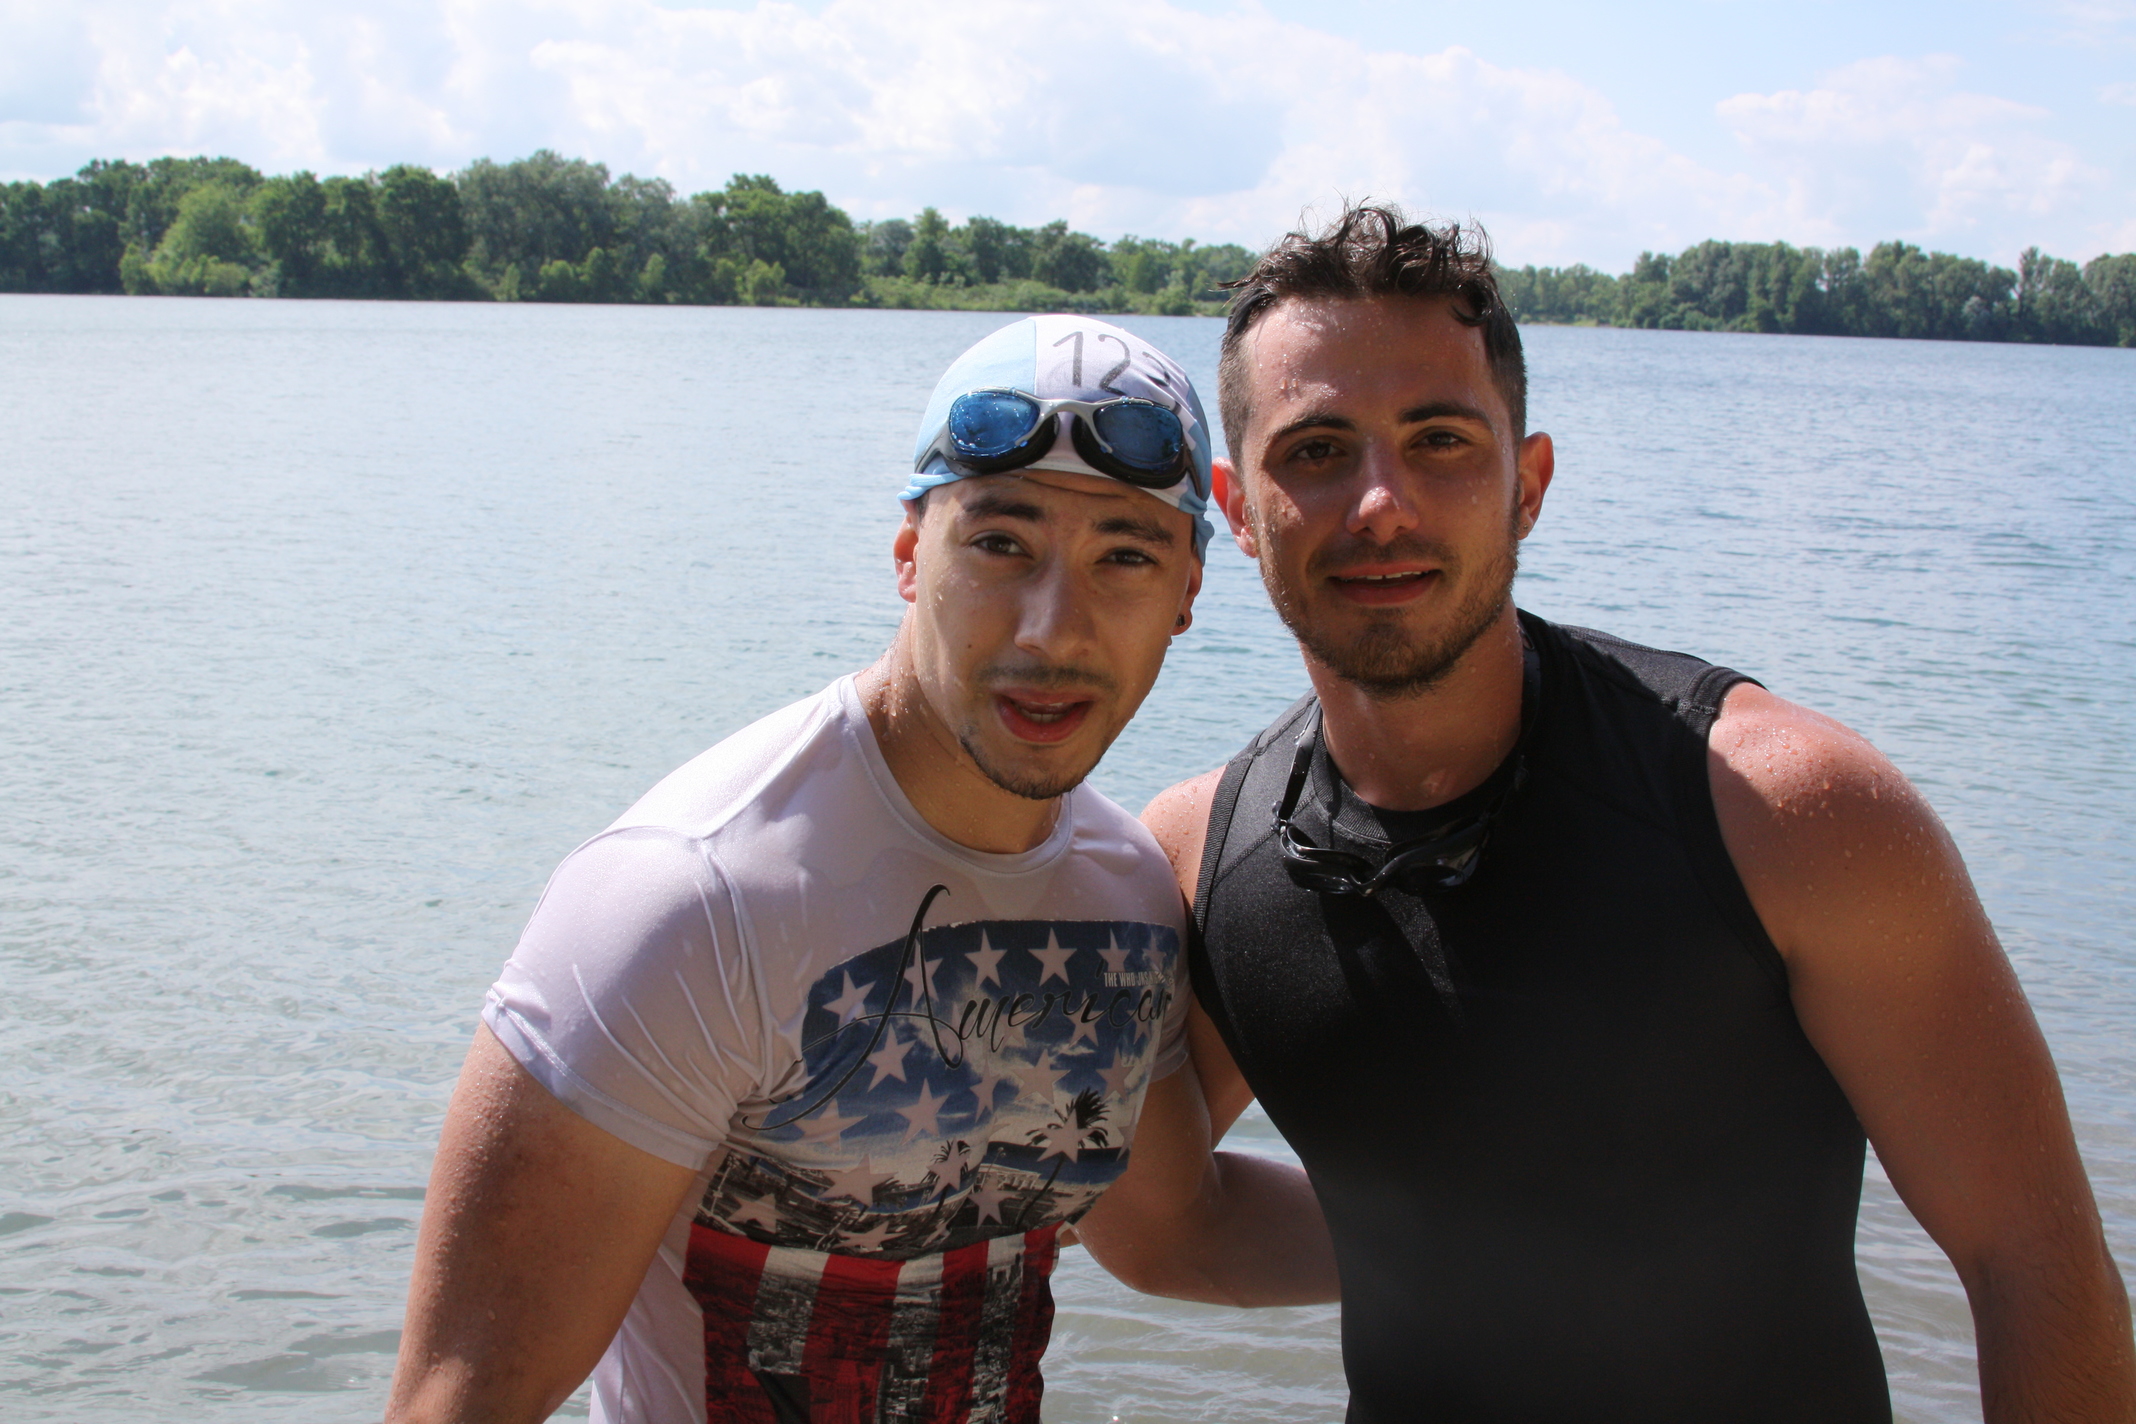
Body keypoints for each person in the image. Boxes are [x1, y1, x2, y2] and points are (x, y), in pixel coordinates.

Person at [1076, 206, 2136, 1421]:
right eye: (1316, 450)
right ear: (1236, 506)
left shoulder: (1783, 812)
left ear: (1527, 484)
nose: (1381, 503)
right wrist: (1466, 1230)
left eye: (1440, 440)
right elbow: (1168, 1229)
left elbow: (2030, 1257)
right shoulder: (1209, 860)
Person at [383, 315, 1309, 1424]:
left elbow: (1174, 1233)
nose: (1053, 630)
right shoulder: (694, 901)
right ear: (911, 554)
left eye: (1125, 557)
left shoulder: (1123, 896)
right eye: (999, 544)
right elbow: (460, 1399)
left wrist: (1487, 1244)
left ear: (1189, 591)